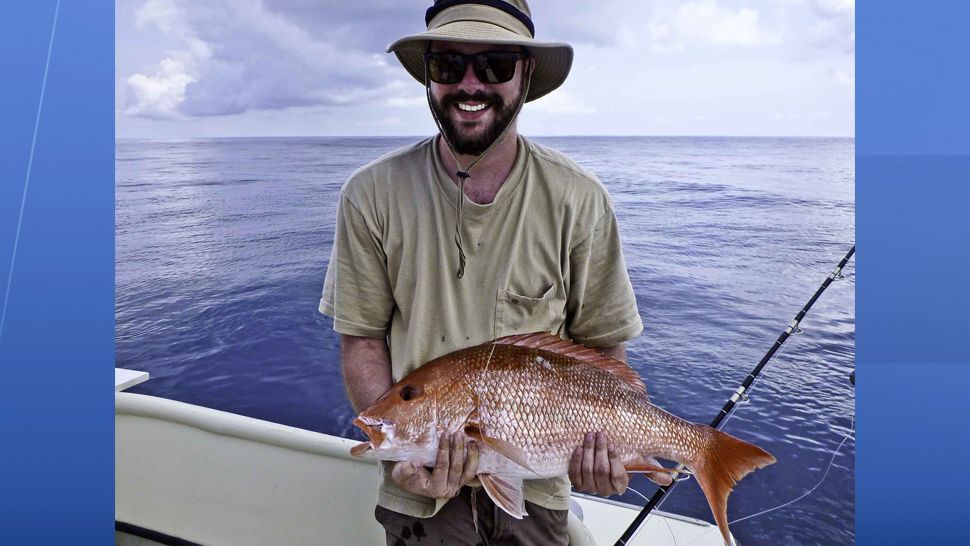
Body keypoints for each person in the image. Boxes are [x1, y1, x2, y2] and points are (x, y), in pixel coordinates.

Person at [320, 1, 667, 544]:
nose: (470, 84)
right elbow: (362, 340)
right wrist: (401, 457)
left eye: (496, 65)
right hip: (419, 504)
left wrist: (608, 449)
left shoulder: (580, 199)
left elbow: (605, 356)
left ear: (525, 74)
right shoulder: (370, 195)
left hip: (539, 492)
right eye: (448, 67)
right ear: (429, 77)